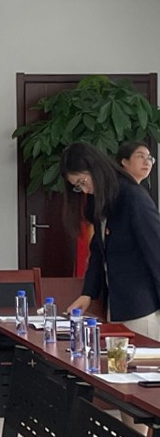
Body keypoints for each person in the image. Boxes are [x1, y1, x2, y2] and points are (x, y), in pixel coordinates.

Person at [64, 142, 160, 339]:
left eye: (83, 181)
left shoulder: (132, 197)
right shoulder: (102, 200)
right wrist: (87, 294)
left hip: (141, 308)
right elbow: (98, 252)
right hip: (116, 306)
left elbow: (156, 251)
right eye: (77, 187)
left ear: (95, 169)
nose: (84, 190)